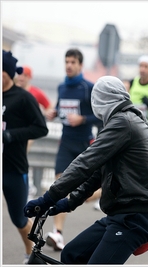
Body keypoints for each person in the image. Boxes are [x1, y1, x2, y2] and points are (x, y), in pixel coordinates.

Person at [24, 76, 148, 264]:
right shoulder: (122, 119)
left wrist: (48, 198)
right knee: (71, 255)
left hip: (136, 215)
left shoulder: (123, 122)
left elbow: (85, 163)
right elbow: (98, 171)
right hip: (124, 213)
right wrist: (68, 202)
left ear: (99, 100)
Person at [45, 48, 101, 251]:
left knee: (85, 193)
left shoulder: (88, 88)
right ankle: (58, 233)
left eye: (72, 62)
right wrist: (54, 113)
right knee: (60, 186)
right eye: (66, 61)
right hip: (66, 143)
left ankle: (103, 194)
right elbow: (62, 109)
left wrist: (83, 119)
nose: (68, 65)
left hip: (85, 144)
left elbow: (101, 114)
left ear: (80, 65)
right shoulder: (62, 87)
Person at [2, 50, 49, 264]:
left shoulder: (23, 98)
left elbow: (41, 128)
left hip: (13, 167)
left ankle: (31, 254)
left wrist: (11, 135)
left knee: (20, 219)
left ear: (9, 74)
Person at [15, 65, 53, 197]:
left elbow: (50, 107)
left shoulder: (35, 93)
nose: (21, 77)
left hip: (28, 132)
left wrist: (42, 116)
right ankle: (25, 186)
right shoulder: (11, 91)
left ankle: (27, 186)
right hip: (14, 131)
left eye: (24, 75)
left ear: (29, 77)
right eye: (19, 74)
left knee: (22, 156)